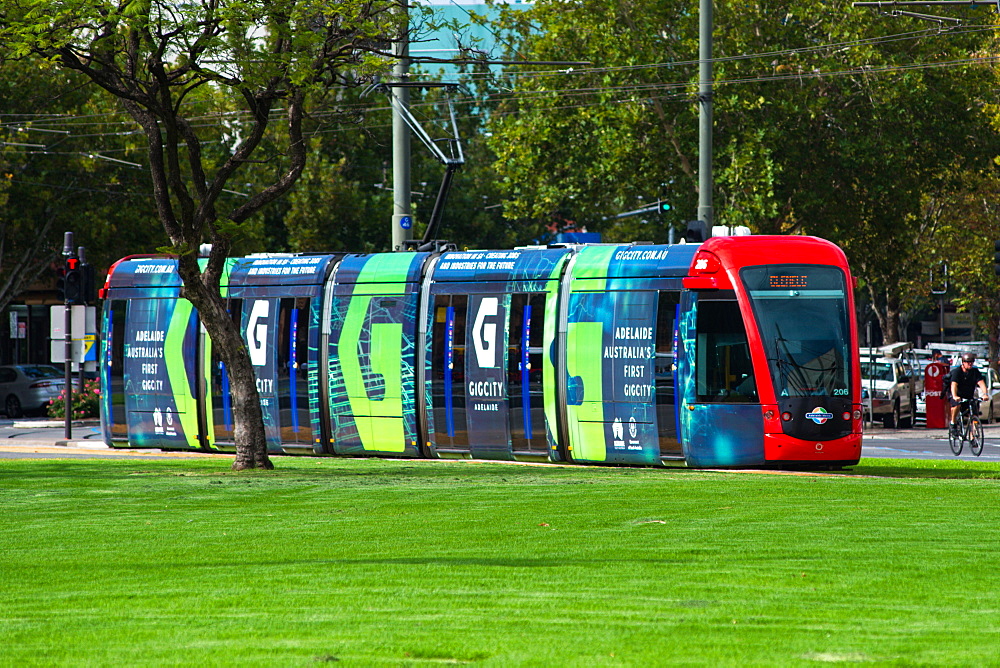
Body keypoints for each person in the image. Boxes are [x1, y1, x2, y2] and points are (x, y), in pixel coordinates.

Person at [948, 352, 988, 435]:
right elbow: (954, 385)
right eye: (968, 362)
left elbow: (981, 383)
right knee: (957, 405)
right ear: (963, 362)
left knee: (974, 416)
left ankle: (972, 437)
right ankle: (953, 423)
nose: (970, 364)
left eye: (971, 362)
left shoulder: (975, 372)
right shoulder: (957, 372)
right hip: (956, 395)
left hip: (969, 396)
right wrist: (955, 396)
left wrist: (985, 394)